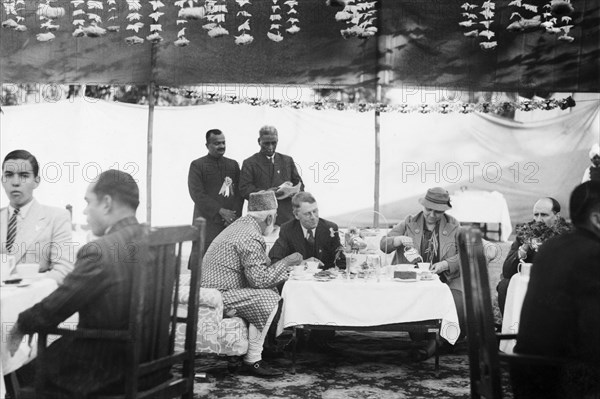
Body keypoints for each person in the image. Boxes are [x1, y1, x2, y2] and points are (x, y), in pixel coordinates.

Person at [6, 170, 161, 397]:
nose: (85, 211)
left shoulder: (100, 250)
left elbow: (54, 309)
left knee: (19, 371)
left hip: (103, 371)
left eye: (89, 202)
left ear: (106, 203)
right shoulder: (157, 242)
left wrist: (21, 324)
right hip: (155, 365)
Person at [511, 180, 600, 398]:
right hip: (560, 381)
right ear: (597, 218)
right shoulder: (593, 253)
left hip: (526, 374)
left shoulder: (551, 247)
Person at [201, 190, 303, 377]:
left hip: (215, 293)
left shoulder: (243, 226)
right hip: (217, 296)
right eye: (276, 216)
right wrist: (287, 262)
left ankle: (263, 348)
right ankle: (253, 360)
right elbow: (259, 280)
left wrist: (279, 265)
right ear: (270, 218)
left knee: (269, 291)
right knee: (269, 298)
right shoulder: (250, 235)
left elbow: (257, 269)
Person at [380, 187, 463, 359]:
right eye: (428, 209)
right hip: (414, 282)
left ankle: (434, 345)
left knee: (457, 304)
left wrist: (445, 264)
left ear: (445, 210)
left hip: (445, 280)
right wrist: (397, 240)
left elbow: (465, 254)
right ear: (423, 206)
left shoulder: (454, 225)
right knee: (418, 333)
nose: (432, 214)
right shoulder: (409, 222)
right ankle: (434, 342)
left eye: (438, 212)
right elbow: (383, 244)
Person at [1, 149, 73, 284]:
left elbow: (64, 272)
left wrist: (21, 283)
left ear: (36, 181)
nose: (15, 182)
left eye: (24, 175)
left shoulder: (56, 218)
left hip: (34, 301)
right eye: (9, 175)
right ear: (2, 180)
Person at [496, 197, 563, 314]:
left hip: (556, 286)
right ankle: (511, 329)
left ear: (556, 216)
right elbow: (507, 271)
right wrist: (524, 248)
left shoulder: (565, 236)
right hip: (529, 282)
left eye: (544, 215)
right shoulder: (525, 233)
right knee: (504, 285)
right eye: (536, 215)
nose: (539, 220)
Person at [188, 129, 243, 251]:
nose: (222, 146)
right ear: (207, 145)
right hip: (207, 223)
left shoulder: (233, 165)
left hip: (229, 224)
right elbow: (197, 194)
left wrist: (233, 216)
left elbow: (239, 193)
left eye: (223, 143)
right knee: (204, 261)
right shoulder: (197, 165)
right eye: (217, 143)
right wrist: (220, 211)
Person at [239, 125, 304, 226]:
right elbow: (244, 189)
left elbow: (300, 185)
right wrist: (266, 193)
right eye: (266, 143)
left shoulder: (287, 160)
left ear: (277, 141)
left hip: (286, 218)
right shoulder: (249, 163)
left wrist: (293, 192)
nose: (270, 147)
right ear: (259, 141)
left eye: (274, 143)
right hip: (262, 219)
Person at [269, 192, 345, 270]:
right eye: (307, 214)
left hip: (325, 279)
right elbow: (275, 260)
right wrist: (300, 265)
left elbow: (341, 261)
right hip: (299, 279)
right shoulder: (287, 229)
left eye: (315, 211)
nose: (313, 217)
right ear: (296, 215)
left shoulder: (330, 228)